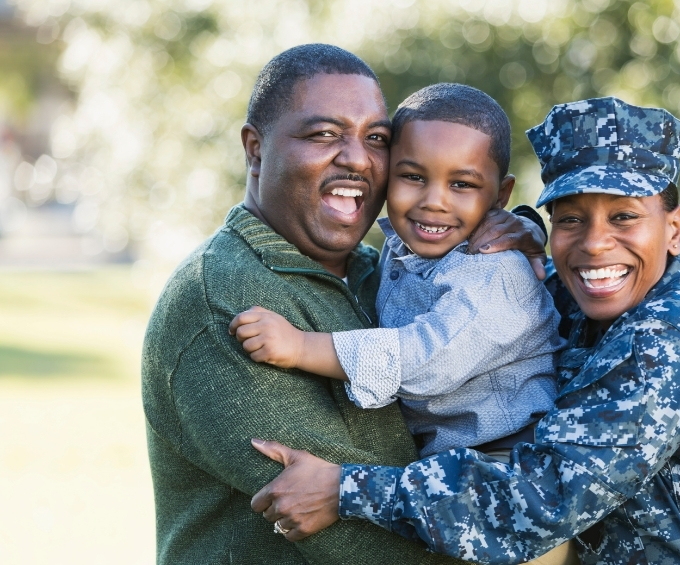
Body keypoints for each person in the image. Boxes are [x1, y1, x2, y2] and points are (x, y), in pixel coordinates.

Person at [249, 97, 680, 564]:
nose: (596, 244)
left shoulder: (673, 336)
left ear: (673, 228)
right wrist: (525, 227)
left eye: (624, 217)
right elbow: (519, 284)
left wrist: (346, 489)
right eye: (571, 219)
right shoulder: (591, 290)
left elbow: (541, 499)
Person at [141, 44, 545, 565]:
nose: (357, 158)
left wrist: (528, 232)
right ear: (255, 149)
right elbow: (351, 538)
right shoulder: (225, 300)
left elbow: (519, 317)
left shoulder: (383, 268)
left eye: (375, 138)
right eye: (323, 134)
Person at [229, 83, 565, 461]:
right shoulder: (399, 247)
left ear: (501, 196)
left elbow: (425, 359)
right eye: (414, 177)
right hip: (446, 458)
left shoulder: (495, 272)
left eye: (461, 184)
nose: (434, 202)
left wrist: (302, 347)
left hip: (505, 458)